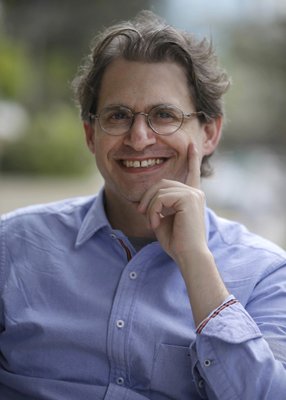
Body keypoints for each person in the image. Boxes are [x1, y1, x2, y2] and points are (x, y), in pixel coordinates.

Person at [0, 10, 285, 400]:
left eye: (164, 115)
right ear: (90, 134)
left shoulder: (266, 274)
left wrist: (196, 262)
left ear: (209, 133)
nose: (138, 138)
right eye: (118, 116)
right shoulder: (11, 247)